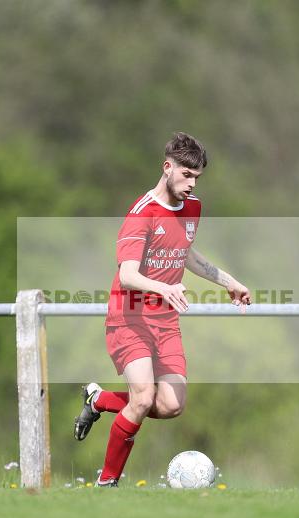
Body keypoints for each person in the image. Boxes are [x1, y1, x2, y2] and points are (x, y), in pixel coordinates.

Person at [73, 132, 252, 487]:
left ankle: (99, 399)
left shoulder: (193, 208)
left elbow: (186, 253)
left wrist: (229, 281)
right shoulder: (141, 214)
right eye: (186, 174)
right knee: (141, 399)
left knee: (170, 406)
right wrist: (164, 288)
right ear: (167, 167)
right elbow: (127, 276)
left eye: (197, 177)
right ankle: (107, 483)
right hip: (129, 318)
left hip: (165, 322)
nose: (192, 183)